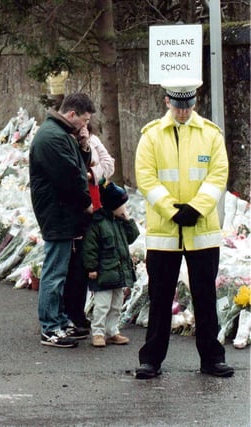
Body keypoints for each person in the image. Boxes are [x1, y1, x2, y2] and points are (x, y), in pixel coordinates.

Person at [134, 78, 233, 379]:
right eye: (178, 106)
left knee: (205, 297)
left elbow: (218, 175)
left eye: (188, 106)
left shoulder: (211, 135)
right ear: (167, 102)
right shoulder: (151, 136)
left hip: (201, 231)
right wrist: (171, 210)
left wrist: (197, 208)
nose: (183, 112)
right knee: (160, 297)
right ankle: (151, 359)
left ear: (195, 103)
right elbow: (146, 178)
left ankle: (212, 358)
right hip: (165, 233)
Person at [29, 93, 96, 348]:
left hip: (63, 212)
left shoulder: (61, 134)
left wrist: (84, 144)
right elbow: (71, 177)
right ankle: (50, 326)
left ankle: (59, 320)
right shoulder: (52, 137)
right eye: (84, 120)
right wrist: (85, 202)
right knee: (55, 272)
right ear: (72, 114)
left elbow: (81, 166)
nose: (85, 125)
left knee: (61, 269)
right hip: (57, 212)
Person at [62, 120, 115, 330]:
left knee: (87, 260)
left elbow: (109, 165)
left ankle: (80, 312)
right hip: (75, 207)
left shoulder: (93, 141)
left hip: (94, 203)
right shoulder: (64, 142)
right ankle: (69, 313)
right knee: (72, 265)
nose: (84, 125)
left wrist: (92, 174)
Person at [82, 179, 139, 347]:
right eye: (122, 206)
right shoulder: (98, 224)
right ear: (112, 206)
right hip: (104, 273)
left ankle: (113, 330)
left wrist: (127, 219)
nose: (125, 209)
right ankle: (98, 332)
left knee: (116, 305)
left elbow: (132, 237)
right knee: (102, 305)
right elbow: (90, 247)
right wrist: (91, 267)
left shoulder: (120, 223)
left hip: (118, 272)